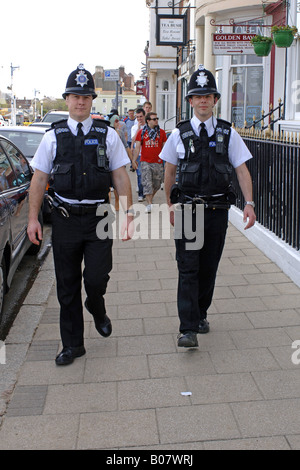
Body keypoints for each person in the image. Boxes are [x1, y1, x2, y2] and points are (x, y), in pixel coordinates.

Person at [27, 64, 134, 365]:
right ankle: (73, 345)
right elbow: (38, 179)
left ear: (92, 100)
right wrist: (33, 218)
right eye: (75, 96)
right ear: (67, 99)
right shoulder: (53, 137)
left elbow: (121, 176)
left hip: (99, 216)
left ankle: (96, 306)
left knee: (97, 277)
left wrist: (128, 214)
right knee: (67, 284)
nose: (80, 102)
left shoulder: (107, 134)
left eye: (86, 97)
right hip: (65, 218)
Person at [160, 65, 256, 348]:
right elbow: (169, 171)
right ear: (190, 101)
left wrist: (249, 203)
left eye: (208, 96)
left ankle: (200, 313)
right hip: (188, 209)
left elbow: (241, 170)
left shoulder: (229, 134)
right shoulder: (179, 134)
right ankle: (187, 328)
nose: (203, 100)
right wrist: (168, 204)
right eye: (197, 96)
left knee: (208, 268)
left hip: (217, 211)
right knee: (188, 267)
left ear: (215, 100)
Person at [132, 112, 167, 212]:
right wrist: (134, 160)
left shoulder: (162, 132)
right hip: (145, 162)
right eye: (154, 119)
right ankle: (150, 204)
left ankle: (150, 199)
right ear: (148, 121)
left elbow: (165, 147)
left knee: (157, 184)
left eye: (157, 118)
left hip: (158, 162)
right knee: (147, 183)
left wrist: (167, 161)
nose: (156, 120)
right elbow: (137, 147)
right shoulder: (141, 133)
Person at [131, 108, 146, 201]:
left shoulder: (149, 126)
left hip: (148, 152)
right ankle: (141, 193)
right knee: (140, 174)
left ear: (144, 116)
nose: (139, 119)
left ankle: (146, 192)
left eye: (141, 116)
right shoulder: (134, 127)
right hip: (138, 153)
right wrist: (138, 129)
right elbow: (133, 139)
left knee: (148, 175)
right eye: (137, 117)